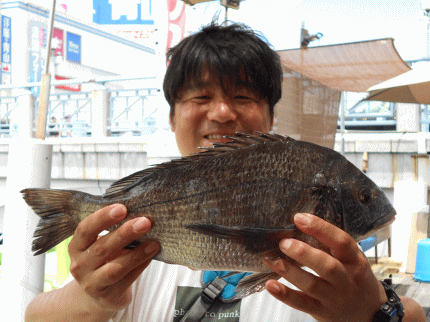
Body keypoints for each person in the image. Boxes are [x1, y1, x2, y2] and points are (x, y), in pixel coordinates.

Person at [25, 23, 426, 322]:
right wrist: (91, 299)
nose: (221, 113)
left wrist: (375, 314)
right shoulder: (130, 251)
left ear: (270, 116)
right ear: (171, 117)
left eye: (242, 97)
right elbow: (35, 316)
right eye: (201, 96)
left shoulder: (328, 262)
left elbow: (412, 313)